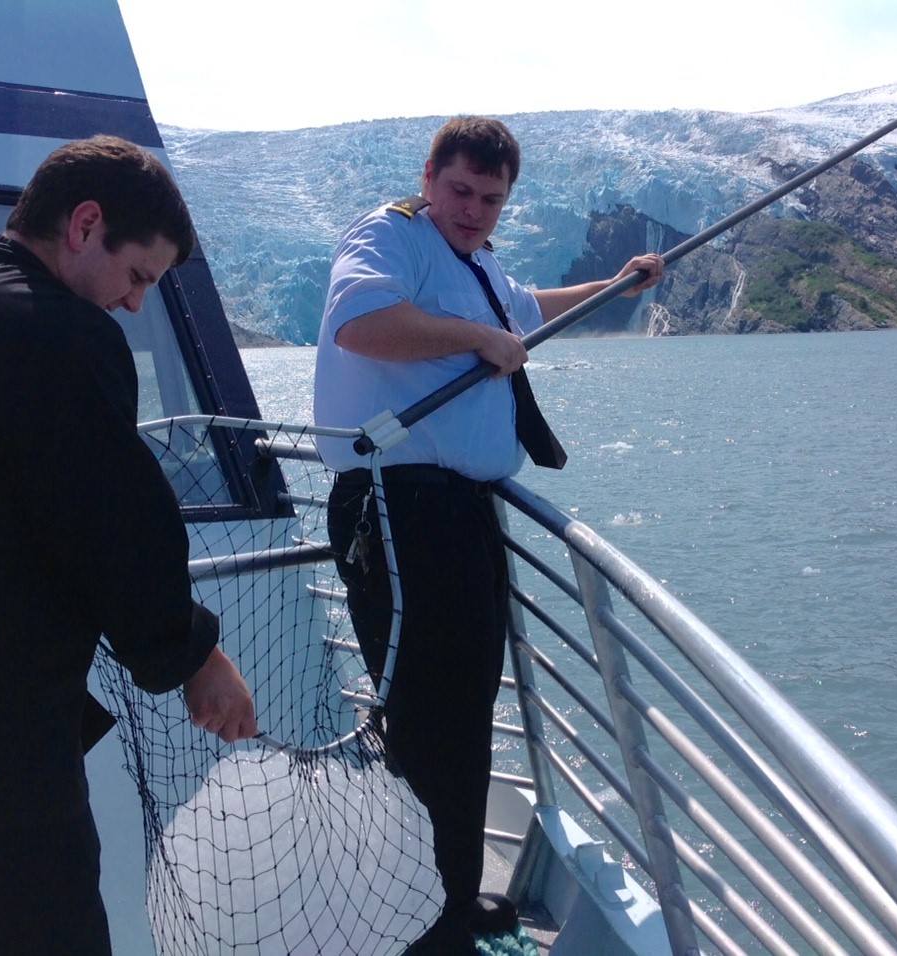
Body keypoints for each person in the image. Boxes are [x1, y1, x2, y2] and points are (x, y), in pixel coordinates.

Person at [0, 135, 258, 954]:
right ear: (85, 225)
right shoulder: (54, 333)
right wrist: (194, 655)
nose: (134, 305)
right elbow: (114, 526)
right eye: (138, 276)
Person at [313, 115, 663, 954]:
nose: (474, 210)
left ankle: (451, 896)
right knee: (427, 715)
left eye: (491, 199)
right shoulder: (394, 235)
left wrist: (616, 286)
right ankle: (426, 926)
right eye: (461, 191)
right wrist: (479, 339)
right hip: (399, 508)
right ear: (428, 178)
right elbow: (361, 322)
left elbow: (524, 312)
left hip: (454, 512)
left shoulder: (476, 263)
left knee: (464, 706)